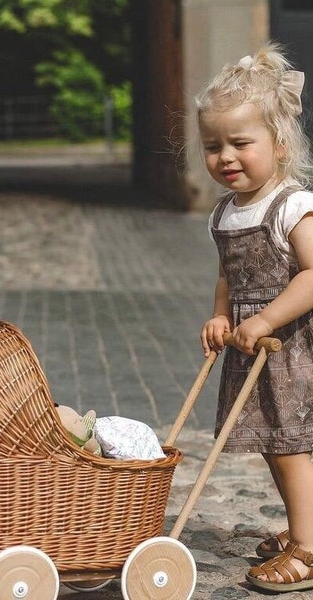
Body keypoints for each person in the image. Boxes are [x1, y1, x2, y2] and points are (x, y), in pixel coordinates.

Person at [197, 42, 313, 593]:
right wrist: (221, 315)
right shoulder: (225, 211)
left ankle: (309, 549)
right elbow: (229, 274)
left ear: (280, 143)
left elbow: (312, 275)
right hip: (253, 346)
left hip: (290, 344)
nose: (226, 157)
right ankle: (302, 529)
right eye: (213, 146)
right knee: (274, 441)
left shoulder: (291, 204)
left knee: (291, 442)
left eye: (240, 143)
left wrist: (265, 319)